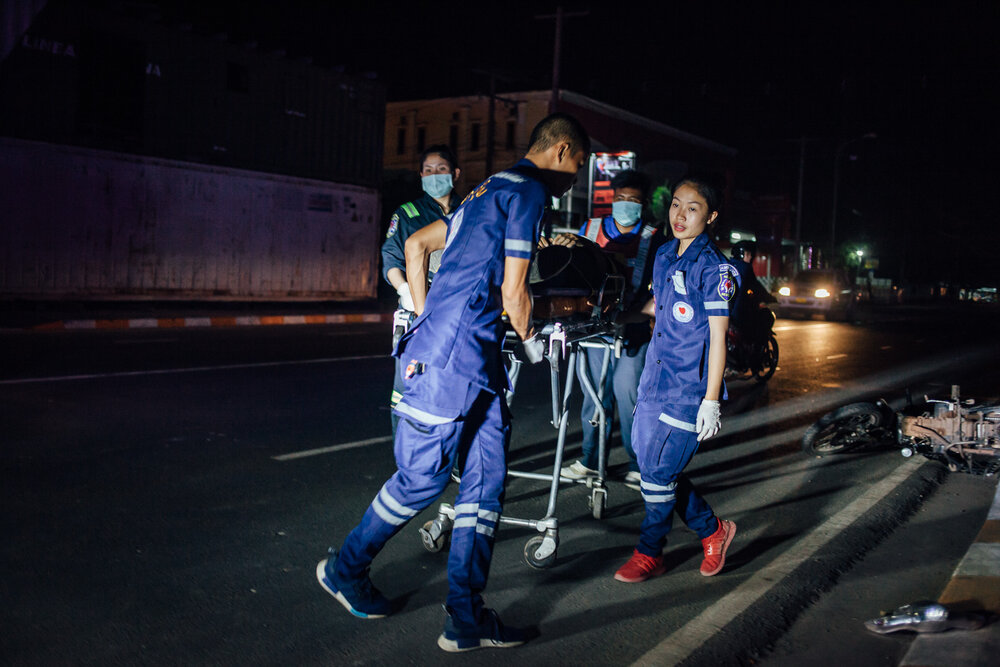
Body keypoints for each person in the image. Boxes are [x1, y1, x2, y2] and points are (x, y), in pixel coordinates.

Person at [317, 113, 590, 652]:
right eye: (577, 166)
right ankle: (346, 569)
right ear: (560, 151)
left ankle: (465, 617)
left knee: (486, 481)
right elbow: (515, 290)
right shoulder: (530, 191)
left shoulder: (488, 187)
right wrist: (531, 338)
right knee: (422, 479)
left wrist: (429, 315)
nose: (573, 178)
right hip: (452, 360)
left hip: (474, 357)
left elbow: (419, 246)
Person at [614, 175, 740, 583]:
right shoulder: (665, 253)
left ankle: (650, 552)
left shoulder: (715, 269)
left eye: (693, 207)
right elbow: (661, 306)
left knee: (656, 471)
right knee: (652, 463)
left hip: (689, 389)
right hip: (654, 381)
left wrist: (711, 400)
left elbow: (718, 338)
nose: (680, 215)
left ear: (712, 216)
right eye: (676, 205)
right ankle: (712, 530)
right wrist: (617, 318)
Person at [558, 169, 664, 490]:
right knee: (594, 395)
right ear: (612, 199)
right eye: (620, 198)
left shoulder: (654, 237)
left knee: (629, 395)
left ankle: (637, 464)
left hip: (632, 330)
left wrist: (636, 314)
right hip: (593, 328)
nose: (625, 205)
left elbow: (660, 289)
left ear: (643, 204)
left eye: (633, 200)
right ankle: (591, 460)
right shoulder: (589, 228)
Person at [381, 145, 462, 433]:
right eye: (428, 170)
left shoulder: (469, 211)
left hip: (457, 313)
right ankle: (407, 461)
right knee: (408, 389)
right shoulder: (408, 213)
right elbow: (390, 259)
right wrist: (405, 290)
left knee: (452, 390)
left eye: (440, 169)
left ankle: (451, 459)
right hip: (417, 312)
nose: (434, 175)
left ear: (455, 174)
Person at [729, 240, 776, 346]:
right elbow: (757, 287)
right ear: (742, 254)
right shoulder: (745, 268)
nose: (750, 257)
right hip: (740, 313)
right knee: (763, 320)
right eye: (748, 254)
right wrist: (769, 298)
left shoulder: (727, 265)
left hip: (725, 312)